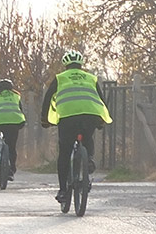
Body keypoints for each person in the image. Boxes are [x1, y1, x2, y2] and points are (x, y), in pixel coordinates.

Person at [37, 50, 112, 207]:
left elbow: (47, 98)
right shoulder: (91, 78)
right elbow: (101, 99)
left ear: (66, 65)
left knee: (64, 151)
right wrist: (101, 119)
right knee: (87, 138)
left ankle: (63, 190)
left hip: (68, 117)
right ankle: (88, 160)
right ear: (81, 64)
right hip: (90, 115)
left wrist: (44, 119)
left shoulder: (60, 78)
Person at [0, 75, 27, 175]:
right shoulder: (16, 96)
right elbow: (21, 109)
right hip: (15, 122)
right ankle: (12, 169)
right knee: (12, 147)